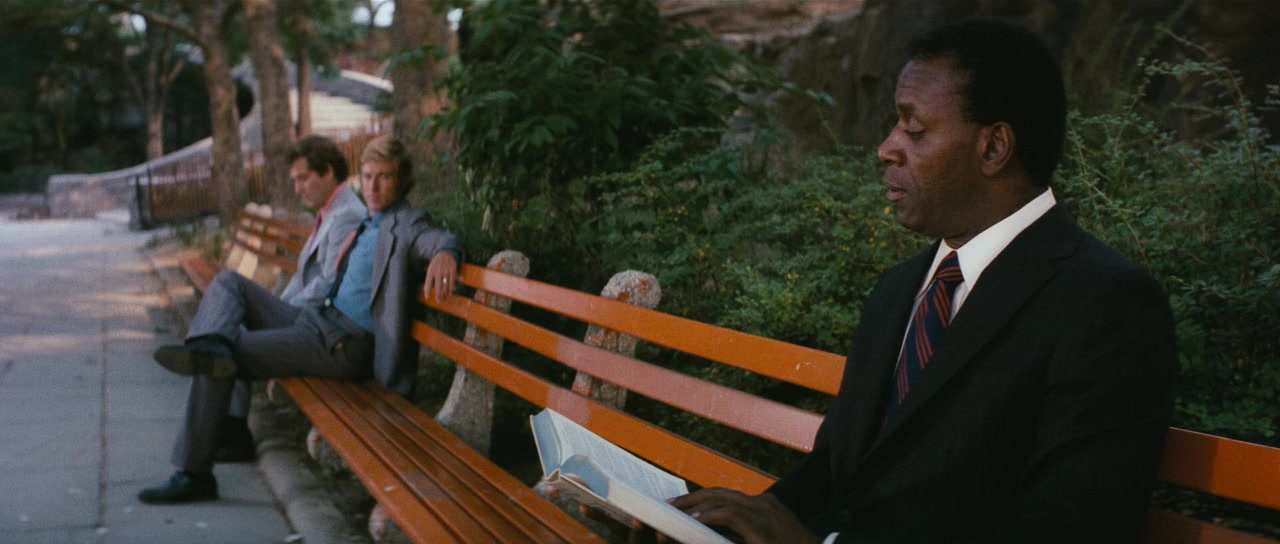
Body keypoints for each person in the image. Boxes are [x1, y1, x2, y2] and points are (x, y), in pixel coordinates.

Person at [670, 19, 1176, 543]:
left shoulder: (1105, 303)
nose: (886, 148)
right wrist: (738, 520)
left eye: (914, 130)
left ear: (993, 148)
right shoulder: (897, 291)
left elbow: (1071, 529)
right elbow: (832, 471)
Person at [139, 135, 460, 504]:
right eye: (368, 176)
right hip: (317, 320)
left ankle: (193, 472)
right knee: (228, 285)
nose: (372, 187)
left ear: (401, 181)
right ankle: (213, 370)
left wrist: (446, 252)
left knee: (225, 351)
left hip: (344, 343)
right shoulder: (370, 221)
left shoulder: (406, 222)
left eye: (384, 177)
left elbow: (435, 238)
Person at [215, 135, 368, 464]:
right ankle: (231, 429)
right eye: (294, 180)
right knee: (227, 311)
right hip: (307, 317)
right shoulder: (328, 211)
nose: (297, 188)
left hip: (321, 327)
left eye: (303, 178)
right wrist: (278, 306)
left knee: (227, 337)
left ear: (328, 171)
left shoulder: (347, 215)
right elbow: (302, 278)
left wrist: (283, 310)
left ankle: (232, 432)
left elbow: (328, 283)